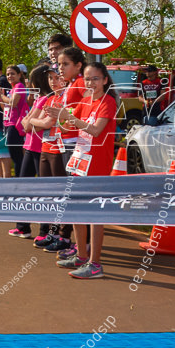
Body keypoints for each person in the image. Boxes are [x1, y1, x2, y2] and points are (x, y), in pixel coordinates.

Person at [52, 63, 118, 278]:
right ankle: (81, 255)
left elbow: (96, 130)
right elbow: (66, 127)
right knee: (75, 209)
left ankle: (95, 263)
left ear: (105, 80)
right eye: (88, 79)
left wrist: (68, 117)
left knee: (95, 214)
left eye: (96, 79)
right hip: (79, 161)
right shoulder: (84, 101)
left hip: (97, 164)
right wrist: (59, 115)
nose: (91, 83)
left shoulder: (107, 102)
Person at [30, 47, 85, 251]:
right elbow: (28, 124)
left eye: (64, 66)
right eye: (53, 74)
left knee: (67, 194)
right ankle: (56, 233)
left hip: (69, 145)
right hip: (59, 145)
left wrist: (58, 116)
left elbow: (48, 121)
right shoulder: (62, 92)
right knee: (54, 194)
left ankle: (66, 237)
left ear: (78, 65)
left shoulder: (78, 84)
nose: (57, 76)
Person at [9, 64, 51, 239]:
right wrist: (31, 120)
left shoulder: (45, 99)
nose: (27, 82)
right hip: (29, 146)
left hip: (40, 148)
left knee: (42, 191)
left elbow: (29, 123)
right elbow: (25, 123)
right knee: (23, 186)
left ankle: (45, 230)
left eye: (30, 79)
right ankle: (23, 226)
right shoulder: (39, 99)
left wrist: (30, 120)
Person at [0, 64, 30, 176]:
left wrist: (1, 96)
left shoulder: (19, 86)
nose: (9, 76)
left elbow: (13, 102)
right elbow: (7, 106)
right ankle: (20, 177)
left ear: (19, 75)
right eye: (7, 74)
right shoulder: (13, 89)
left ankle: (20, 179)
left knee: (17, 155)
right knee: (15, 155)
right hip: (9, 123)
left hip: (15, 125)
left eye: (12, 73)